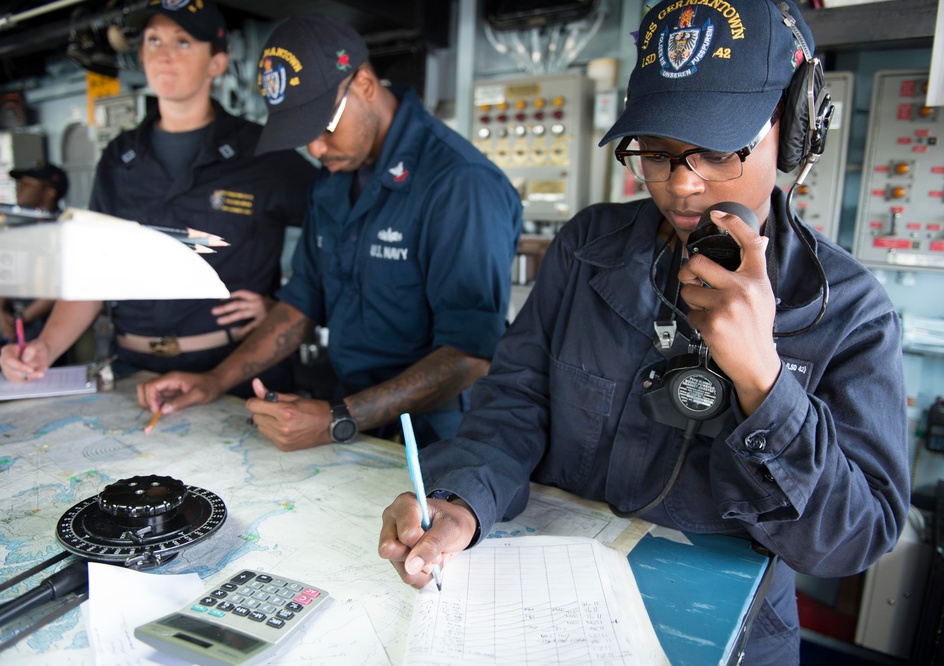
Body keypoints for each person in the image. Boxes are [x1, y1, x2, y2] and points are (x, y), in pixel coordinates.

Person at [378, 2, 910, 663]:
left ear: (794, 129)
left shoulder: (850, 310)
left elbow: (853, 540)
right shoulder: (586, 248)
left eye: (718, 152)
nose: (682, 184)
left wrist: (763, 382)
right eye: (655, 153)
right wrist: (464, 499)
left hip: (721, 636)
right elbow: (514, 401)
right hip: (550, 603)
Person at [137, 15, 523, 450]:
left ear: (363, 83)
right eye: (303, 134)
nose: (316, 149)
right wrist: (214, 380)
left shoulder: (460, 184)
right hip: (356, 419)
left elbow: (470, 356)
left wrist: (338, 417)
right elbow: (303, 300)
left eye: (324, 125)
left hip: (441, 440)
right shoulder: (337, 175)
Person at [0, 0, 316, 398]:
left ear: (217, 63)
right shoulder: (119, 158)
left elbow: (336, 229)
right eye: (153, 40)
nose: (163, 55)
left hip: (233, 377)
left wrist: (285, 307)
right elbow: (94, 272)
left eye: (183, 42)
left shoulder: (263, 155)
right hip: (134, 374)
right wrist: (44, 348)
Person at [0, 160, 69, 344]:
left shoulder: (62, 229)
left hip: (48, 323)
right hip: (16, 318)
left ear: (49, 193)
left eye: (28, 184)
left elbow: (58, 286)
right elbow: (9, 272)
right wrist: (2, 310)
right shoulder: (19, 226)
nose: (20, 189)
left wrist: (22, 319)